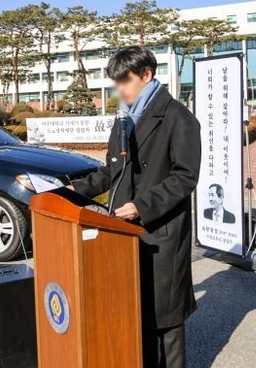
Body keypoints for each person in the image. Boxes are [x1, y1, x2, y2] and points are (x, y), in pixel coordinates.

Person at [70, 46, 201, 368]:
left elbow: (185, 177)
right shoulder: (125, 119)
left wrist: (141, 206)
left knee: (166, 317)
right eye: (117, 83)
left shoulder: (178, 117)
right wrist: (72, 190)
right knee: (137, 310)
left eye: (125, 82)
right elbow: (110, 171)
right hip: (124, 231)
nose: (120, 90)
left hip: (161, 231)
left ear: (146, 75)